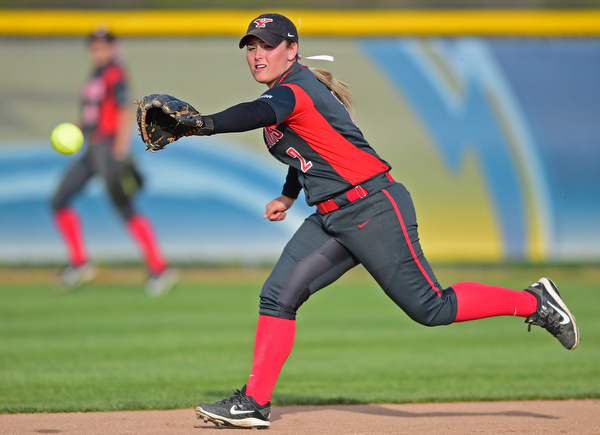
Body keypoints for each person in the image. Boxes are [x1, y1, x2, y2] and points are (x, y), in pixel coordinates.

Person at [138, 13, 580, 428]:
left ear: (291, 50)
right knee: (278, 296)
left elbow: (251, 114)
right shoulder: (286, 93)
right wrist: (289, 195)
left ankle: (535, 301)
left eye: (268, 46)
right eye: (251, 46)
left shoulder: (294, 88)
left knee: (431, 307)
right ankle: (254, 403)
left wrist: (200, 125)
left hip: (373, 208)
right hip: (332, 217)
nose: (258, 54)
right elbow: (308, 151)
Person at [51, 29, 176, 296]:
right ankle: (80, 262)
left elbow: (122, 108)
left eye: (103, 46)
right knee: (59, 199)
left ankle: (159, 268)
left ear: (112, 48)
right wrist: (77, 127)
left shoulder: (115, 72)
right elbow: (93, 113)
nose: (98, 51)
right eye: (94, 47)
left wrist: (120, 147)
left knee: (125, 207)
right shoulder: (96, 75)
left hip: (108, 148)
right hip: (92, 148)